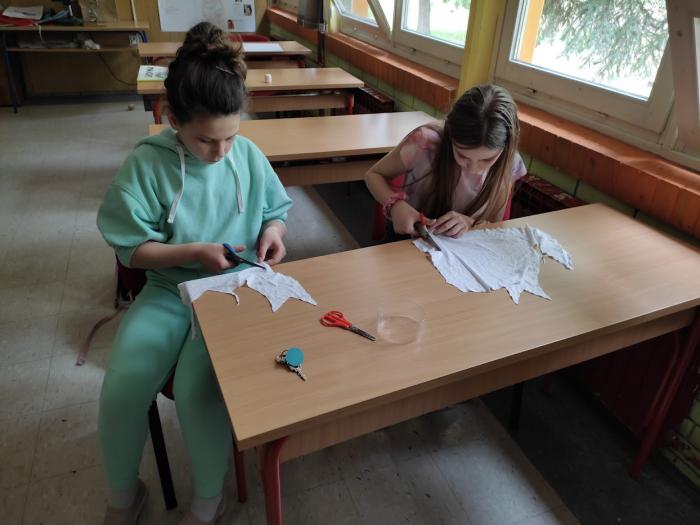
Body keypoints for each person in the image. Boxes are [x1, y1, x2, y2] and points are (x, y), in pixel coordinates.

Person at [96, 21, 292, 525]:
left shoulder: (245, 155)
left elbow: (275, 209)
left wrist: (273, 232)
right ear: (173, 119)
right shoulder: (147, 165)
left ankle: (208, 501)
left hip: (233, 290)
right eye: (206, 140)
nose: (221, 152)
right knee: (122, 388)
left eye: (231, 136)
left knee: (196, 388)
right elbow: (130, 248)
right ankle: (123, 496)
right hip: (170, 288)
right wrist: (194, 252)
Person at [365, 84, 526, 240]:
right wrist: (395, 205)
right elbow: (373, 174)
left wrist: (470, 223)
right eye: (462, 155)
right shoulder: (425, 143)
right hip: (410, 238)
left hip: (463, 247)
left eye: (487, 160)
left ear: (506, 148)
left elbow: (493, 225)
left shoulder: (509, 161)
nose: (473, 168)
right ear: (450, 137)